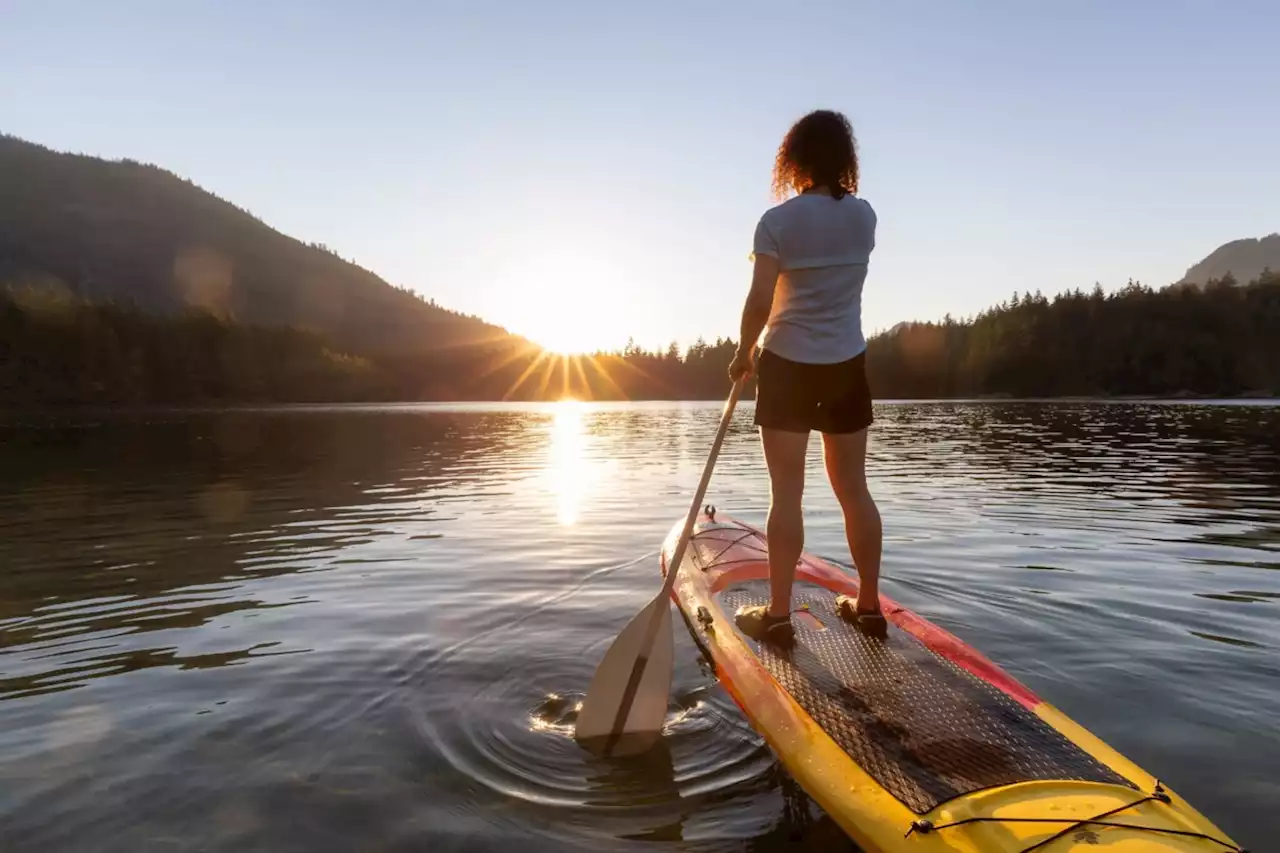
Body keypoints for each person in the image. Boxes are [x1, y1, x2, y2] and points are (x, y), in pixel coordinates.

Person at [727, 109, 884, 645]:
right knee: (854, 491)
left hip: (788, 365)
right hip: (846, 365)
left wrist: (742, 353)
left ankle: (778, 616)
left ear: (792, 160)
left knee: (786, 494)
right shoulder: (865, 217)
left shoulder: (776, 222)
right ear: (845, 159)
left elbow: (759, 300)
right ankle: (867, 605)